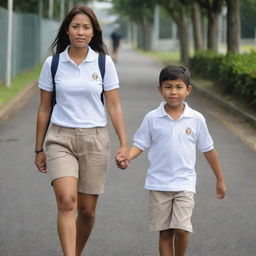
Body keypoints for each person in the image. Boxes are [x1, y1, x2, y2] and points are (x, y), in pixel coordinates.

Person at [34, 5, 128, 256]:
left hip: (95, 140)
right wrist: (38, 148)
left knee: (86, 211)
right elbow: (44, 109)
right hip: (59, 139)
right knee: (67, 202)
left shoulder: (103, 62)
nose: (80, 31)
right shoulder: (53, 64)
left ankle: (75, 251)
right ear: (67, 29)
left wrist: (123, 143)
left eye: (86, 27)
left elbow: (114, 105)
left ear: (93, 31)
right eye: (75, 26)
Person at [116, 65, 227, 256]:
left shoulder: (196, 119)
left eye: (178, 87)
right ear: (160, 89)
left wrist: (220, 179)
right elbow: (140, 144)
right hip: (158, 184)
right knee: (165, 232)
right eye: (168, 87)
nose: (173, 92)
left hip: (185, 183)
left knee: (182, 230)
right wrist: (127, 157)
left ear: (188, 90)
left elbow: (208, 149)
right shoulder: (152, 118)